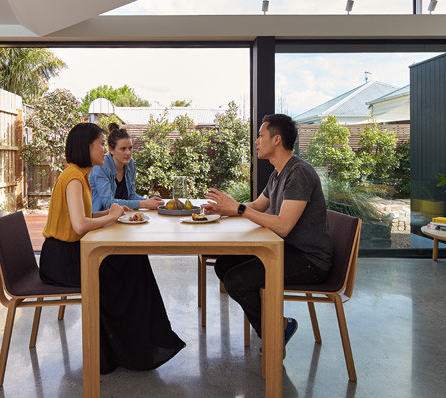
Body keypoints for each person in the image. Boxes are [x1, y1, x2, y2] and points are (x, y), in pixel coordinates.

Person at [39, 122, 185, 374]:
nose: (102, 151)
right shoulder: (73, 178)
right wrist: (111, 217)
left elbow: (86, 215)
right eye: (99, 145)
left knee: (134, 260)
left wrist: (109, 212)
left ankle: (137, 346)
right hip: (63, 260)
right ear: (86, 148)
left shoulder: (78, 175)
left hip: (70, 252)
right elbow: (81, 224)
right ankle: (133, 348)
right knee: (126, 269)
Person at [202, 113, 332, 353]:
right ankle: (276, 326)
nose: (256, 141)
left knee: (236, 281)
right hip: (287, 250)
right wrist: (223, 210)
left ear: (276, 140)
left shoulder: (299, 172)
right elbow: (258, 206)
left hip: (309, 260)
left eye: (261, 135)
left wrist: (237, 208)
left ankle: (273, 335)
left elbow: (282, 226)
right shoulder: (278, 173)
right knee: (223, 266)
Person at [90, 123, 164, 212]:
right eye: (123, 149)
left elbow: (131, 196)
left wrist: (151, 201)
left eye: (130, 148)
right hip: (101, 219)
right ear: (111, 150)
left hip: (122, 216)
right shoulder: (101, 166)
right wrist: (144, 204)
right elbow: (108, 203)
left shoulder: (130, 164)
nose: (128, 153)